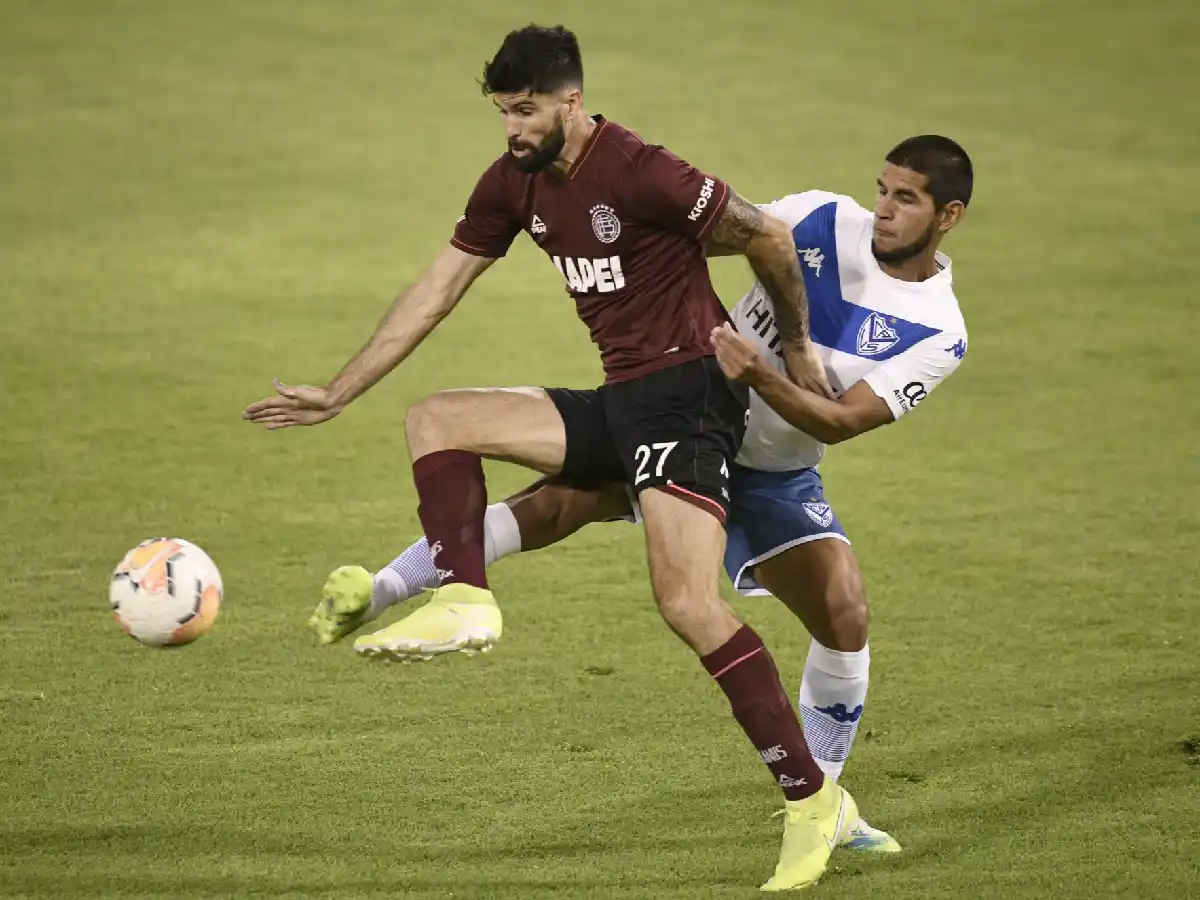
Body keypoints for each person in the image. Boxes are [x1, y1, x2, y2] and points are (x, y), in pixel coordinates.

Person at [245, 23, 852, 892]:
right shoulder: (512, 181)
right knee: (436, 419)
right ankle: (464, 599)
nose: (513, 128)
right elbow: (435, 291)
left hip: (691, 396)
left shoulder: (643, 171)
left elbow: (770, 236)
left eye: (526, 110)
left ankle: (812, 801)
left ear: (573, 101)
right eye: (503, 111)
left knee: (687, 602)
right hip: (623, 399)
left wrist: (792, 347)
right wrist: (340, 391)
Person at [312, 135, 975, 859]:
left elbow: (842, 422)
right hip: (690, 413)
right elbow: (718, 238)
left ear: (948, 217)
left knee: (844, 611)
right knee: (559, 505)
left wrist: (763, 372)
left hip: (773, 471)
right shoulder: (819, 217)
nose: (884, 210)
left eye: (906, 199)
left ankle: (826, 795)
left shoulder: (940, 331)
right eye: (882, 189)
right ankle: (380, 590)